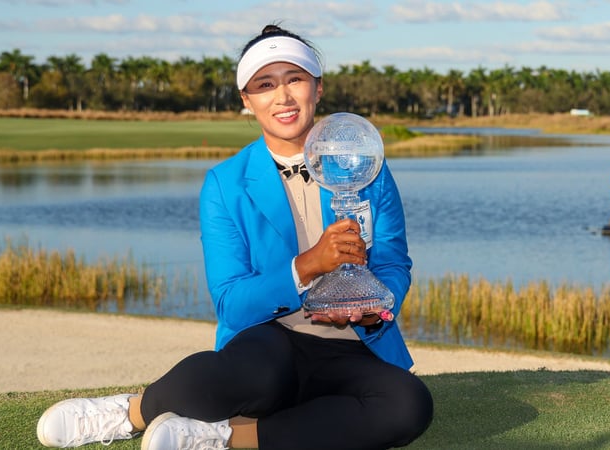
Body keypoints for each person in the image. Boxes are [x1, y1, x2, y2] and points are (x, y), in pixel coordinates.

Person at [36, 24, 433, 450]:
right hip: (269, 339)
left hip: (352, 346)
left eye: (294, 79)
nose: (282, 97)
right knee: (243, 376)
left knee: (409, 406)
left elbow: (392, 263)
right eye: (265, 85)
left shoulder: (365, 165)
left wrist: (374, 308)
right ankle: (130, 412)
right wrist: (308, 265)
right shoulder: (225, 183)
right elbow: (230, 302)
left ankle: (225, 437)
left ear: (317, 88)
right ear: (247, 100)